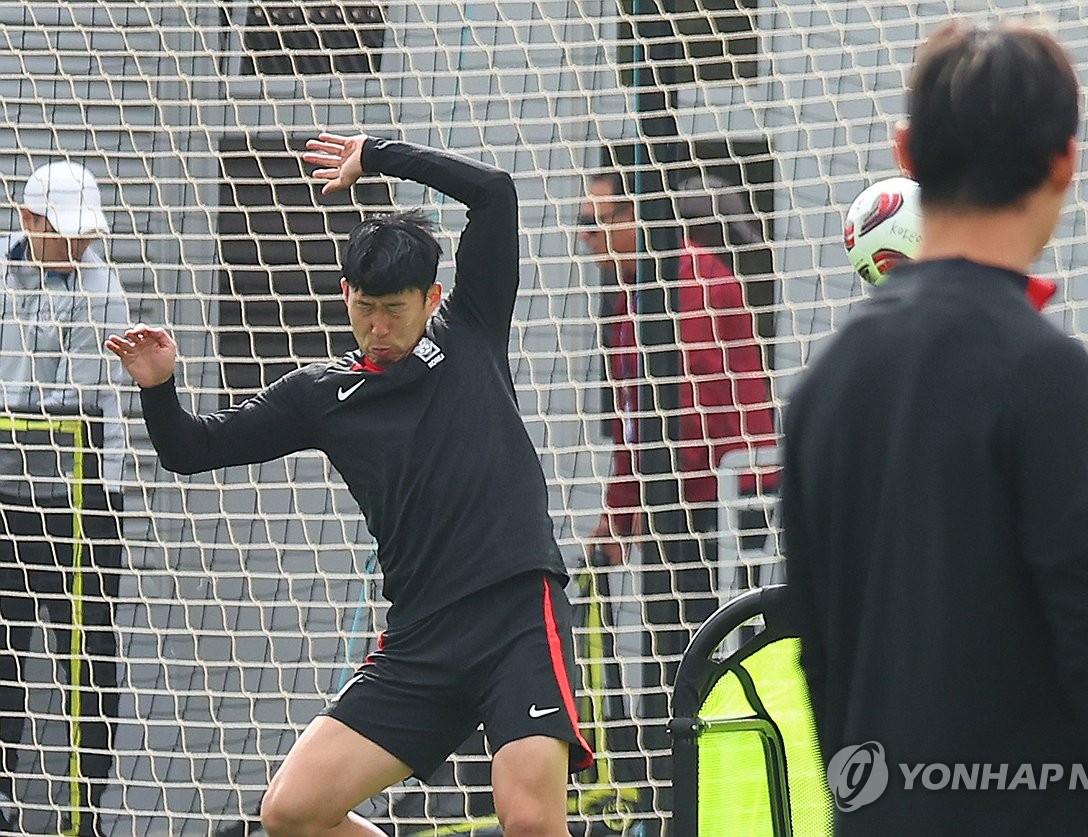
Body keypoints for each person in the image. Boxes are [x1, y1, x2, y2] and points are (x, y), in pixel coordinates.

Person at [106, 134, 593, 837]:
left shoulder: (473, 327)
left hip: (514, 614)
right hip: (420, 639)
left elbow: (495, 192)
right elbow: (190, 449)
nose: (378, 326)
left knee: (529, 821)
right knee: (291, 813)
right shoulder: (320, 395)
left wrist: (378, 154)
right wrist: (158, 388)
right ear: (345, 295)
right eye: (364, 307)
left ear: (433, 296)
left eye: (395, 308)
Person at [781, 20, 1088, 836]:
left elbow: (820, 654)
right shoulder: (1047, 374)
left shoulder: (821, 391)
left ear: (906, 152)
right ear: (1064, 162)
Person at [578, 171, 776, 649]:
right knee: (673, 644)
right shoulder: (631, 295)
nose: (585, 239)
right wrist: (619, 510)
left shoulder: (696, 285)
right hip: (681, 496)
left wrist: (655, 497)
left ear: (635, 218)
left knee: (715, 649)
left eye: (593, 222)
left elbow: (696, 410)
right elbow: (636, 418)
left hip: (729, 499)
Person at [0, 160, 128, 837]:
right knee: (3, 645)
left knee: (90, 651)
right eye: (64, 233)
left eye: (85, 235)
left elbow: (69, 417)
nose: (77, 248)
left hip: (83, 495)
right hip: (4, 495)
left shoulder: (102, 287)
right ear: (27, 221)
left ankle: (87, 810)